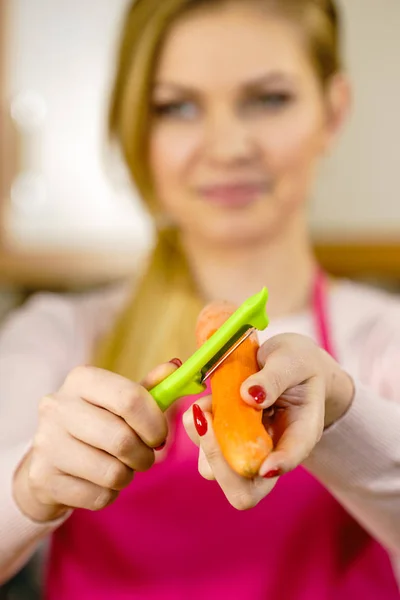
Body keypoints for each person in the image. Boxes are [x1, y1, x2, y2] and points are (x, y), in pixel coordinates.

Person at [0, 0, 399, 597]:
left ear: (333, 113)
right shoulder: (58, 334)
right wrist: (30, 484)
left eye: (268, 98)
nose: (228, 146)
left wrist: (345, 415)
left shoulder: (382, 338)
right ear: (136, 126)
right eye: (177, 106)